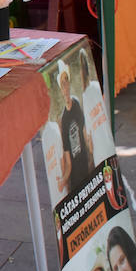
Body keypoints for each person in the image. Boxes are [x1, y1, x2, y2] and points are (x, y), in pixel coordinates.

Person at [57, 63, 93, 197]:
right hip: (76, 177)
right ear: (61, 90)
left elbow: (84, 132)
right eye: (62, 84)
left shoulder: (76, 104)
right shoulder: (64, 119)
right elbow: (68, 162)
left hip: (86, 165)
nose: (65, 87)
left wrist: (91, 148)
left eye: (66, 82)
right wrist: (63, 180)